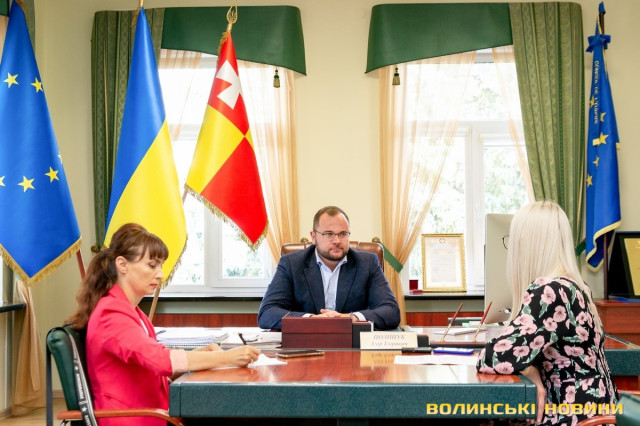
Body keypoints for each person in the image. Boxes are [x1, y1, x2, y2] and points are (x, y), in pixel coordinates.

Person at [66, 223, 260, 426]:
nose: (160, 274)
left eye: (160, 266)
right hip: (136, 420)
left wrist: (205, 354)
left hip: (154, 413)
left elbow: (152, 366)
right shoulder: (111, 314)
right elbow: (160, 361)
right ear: (122, 265)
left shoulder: (130, 311)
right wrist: (225, 358)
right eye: (152, 265)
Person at [477, 201, 618, 425]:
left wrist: (526, 368)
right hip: (593, 413)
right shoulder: (575, 286)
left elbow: (494, 357)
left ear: (528, 245)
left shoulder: (550, 291)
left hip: (571, 417)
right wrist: (529, 367)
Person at [258, 206, 400, 330]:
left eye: (343, 234)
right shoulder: (291, 263)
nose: (337, 241)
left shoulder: (367, 263)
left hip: (353, 344)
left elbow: (391, 311)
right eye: (328, 234)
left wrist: (350, 318)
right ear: (313, 237)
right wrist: (312, 319)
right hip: (306, 344)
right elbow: (267, 313)